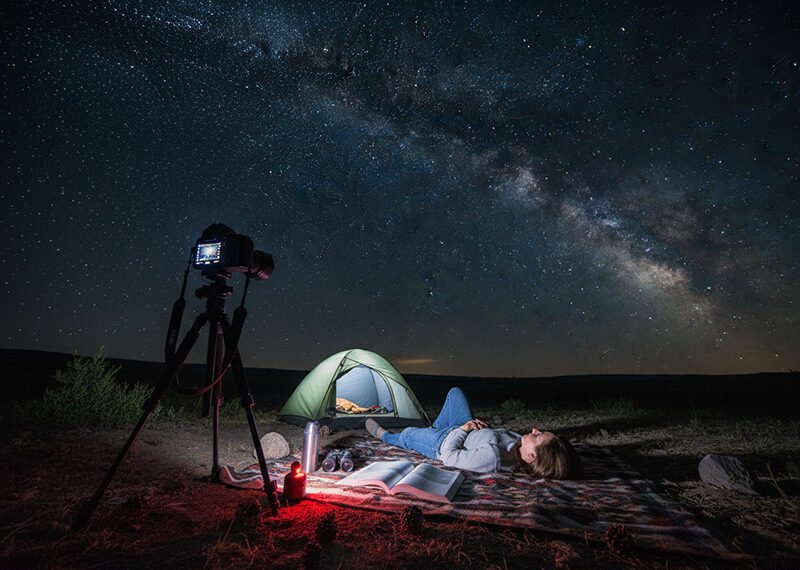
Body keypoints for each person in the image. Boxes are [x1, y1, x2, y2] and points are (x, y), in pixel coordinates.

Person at [365, 387, 580, 479]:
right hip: (462, 429)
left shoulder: (493, 458)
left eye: (538, 436)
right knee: (455, 393)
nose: (534, 430)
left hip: (441, 442)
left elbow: (449, 456)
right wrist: (475, 427)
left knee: (408, 435)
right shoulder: (519, 444)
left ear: (533, 456)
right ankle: (429, 430)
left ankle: (384, 435)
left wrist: (463, 429)